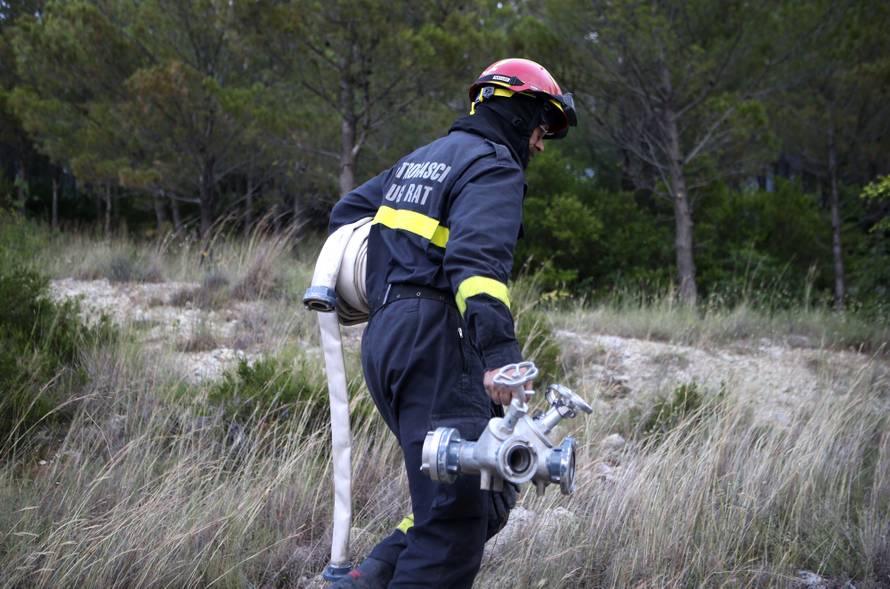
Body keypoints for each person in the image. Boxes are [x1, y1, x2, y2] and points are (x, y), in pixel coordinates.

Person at [328, 58, 577, 588]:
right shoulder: (494, 165)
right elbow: (476, 266)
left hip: (386, 340)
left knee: (479, 496)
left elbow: (345, 216)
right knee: (455, 520)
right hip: (438, 340)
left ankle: (363, 580)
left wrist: (393, 281)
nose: (540, 144)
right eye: (542, 126)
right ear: (518, 111)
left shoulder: (419, 161)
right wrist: (501, 357)